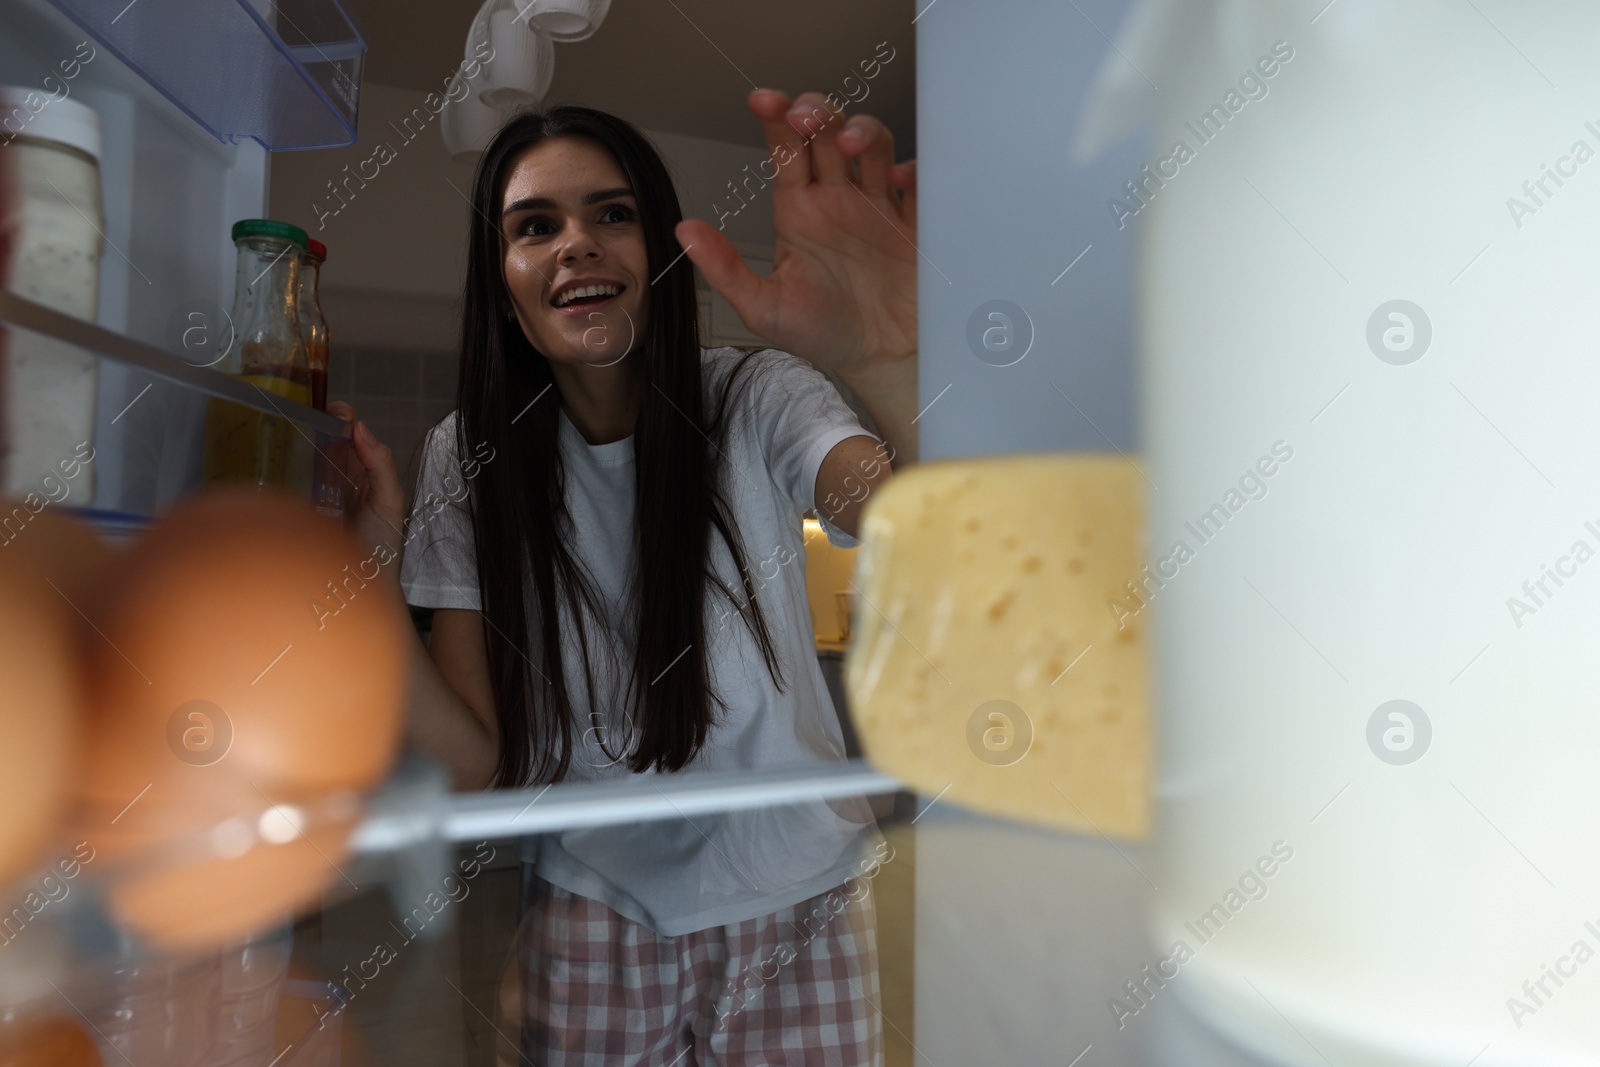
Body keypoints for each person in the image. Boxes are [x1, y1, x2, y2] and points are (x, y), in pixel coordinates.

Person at [331, 87, 917, 1066]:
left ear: (662, 255)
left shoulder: (753, 394)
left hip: (797, 890)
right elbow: (472, 762)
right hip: (592, 902)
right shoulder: (464, 458)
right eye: (535, 226)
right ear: (503, 280)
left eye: (612, 214)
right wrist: (367, 583)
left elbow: (911, 526)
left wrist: (887, 359)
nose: (576, 244)